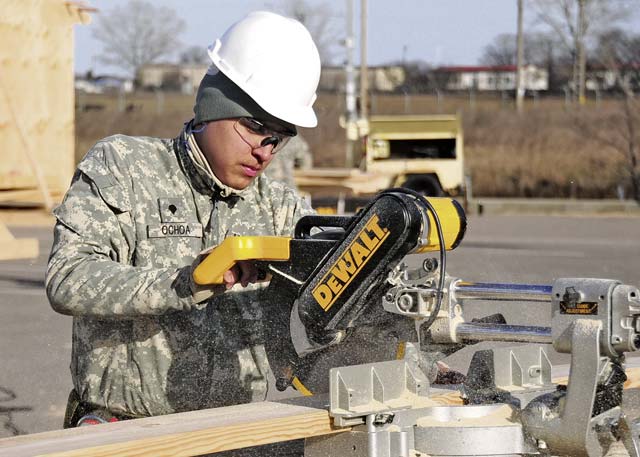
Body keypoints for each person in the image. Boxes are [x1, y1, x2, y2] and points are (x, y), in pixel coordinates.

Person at [45, 11, 321, 427]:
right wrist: (185, 281)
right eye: (254, 127)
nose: (265, 151)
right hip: (124, 429)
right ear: (212, 107)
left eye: (278, 138)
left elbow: (339, 286)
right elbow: (68, 277)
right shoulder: (123, 167)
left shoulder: (279, 206)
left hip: (233, 434)